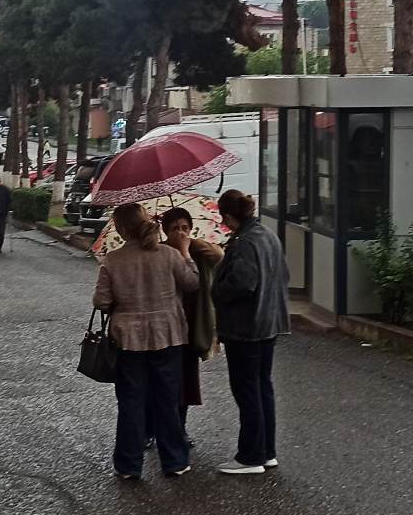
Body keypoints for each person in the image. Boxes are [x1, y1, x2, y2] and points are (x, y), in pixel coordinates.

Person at [93, 202, 198, 478]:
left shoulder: (112, 260)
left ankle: (129, 464)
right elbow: (192, 284)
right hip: (168, 335)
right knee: (167, 400)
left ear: (121, 229)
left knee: (131, 401)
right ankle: (174, 461)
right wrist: (186, 253)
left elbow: (101, 302)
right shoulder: (169, 255)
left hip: (129, 340)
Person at [209, 190, 289, 475]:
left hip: (245, 326)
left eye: (224, 218)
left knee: (247, 390)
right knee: (262, 387)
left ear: (230, 216)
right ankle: (267, 451)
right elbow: (283, 275)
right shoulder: (267, 235)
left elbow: (242, 283)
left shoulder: (245, 243)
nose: (224, 223)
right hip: (269, 322)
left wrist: (217, 290)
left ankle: (250, 456)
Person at [159, 206, 223, 437]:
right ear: (165, 231)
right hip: (166, 326)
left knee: (186, 380)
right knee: (163, 380)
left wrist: (187, 248)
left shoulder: (196, 249)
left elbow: (219, 257)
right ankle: (156, 428)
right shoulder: (160, 252)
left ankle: (180, 428)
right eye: (174, 228)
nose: (180, 232)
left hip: (191, 326)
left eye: (185, 227)